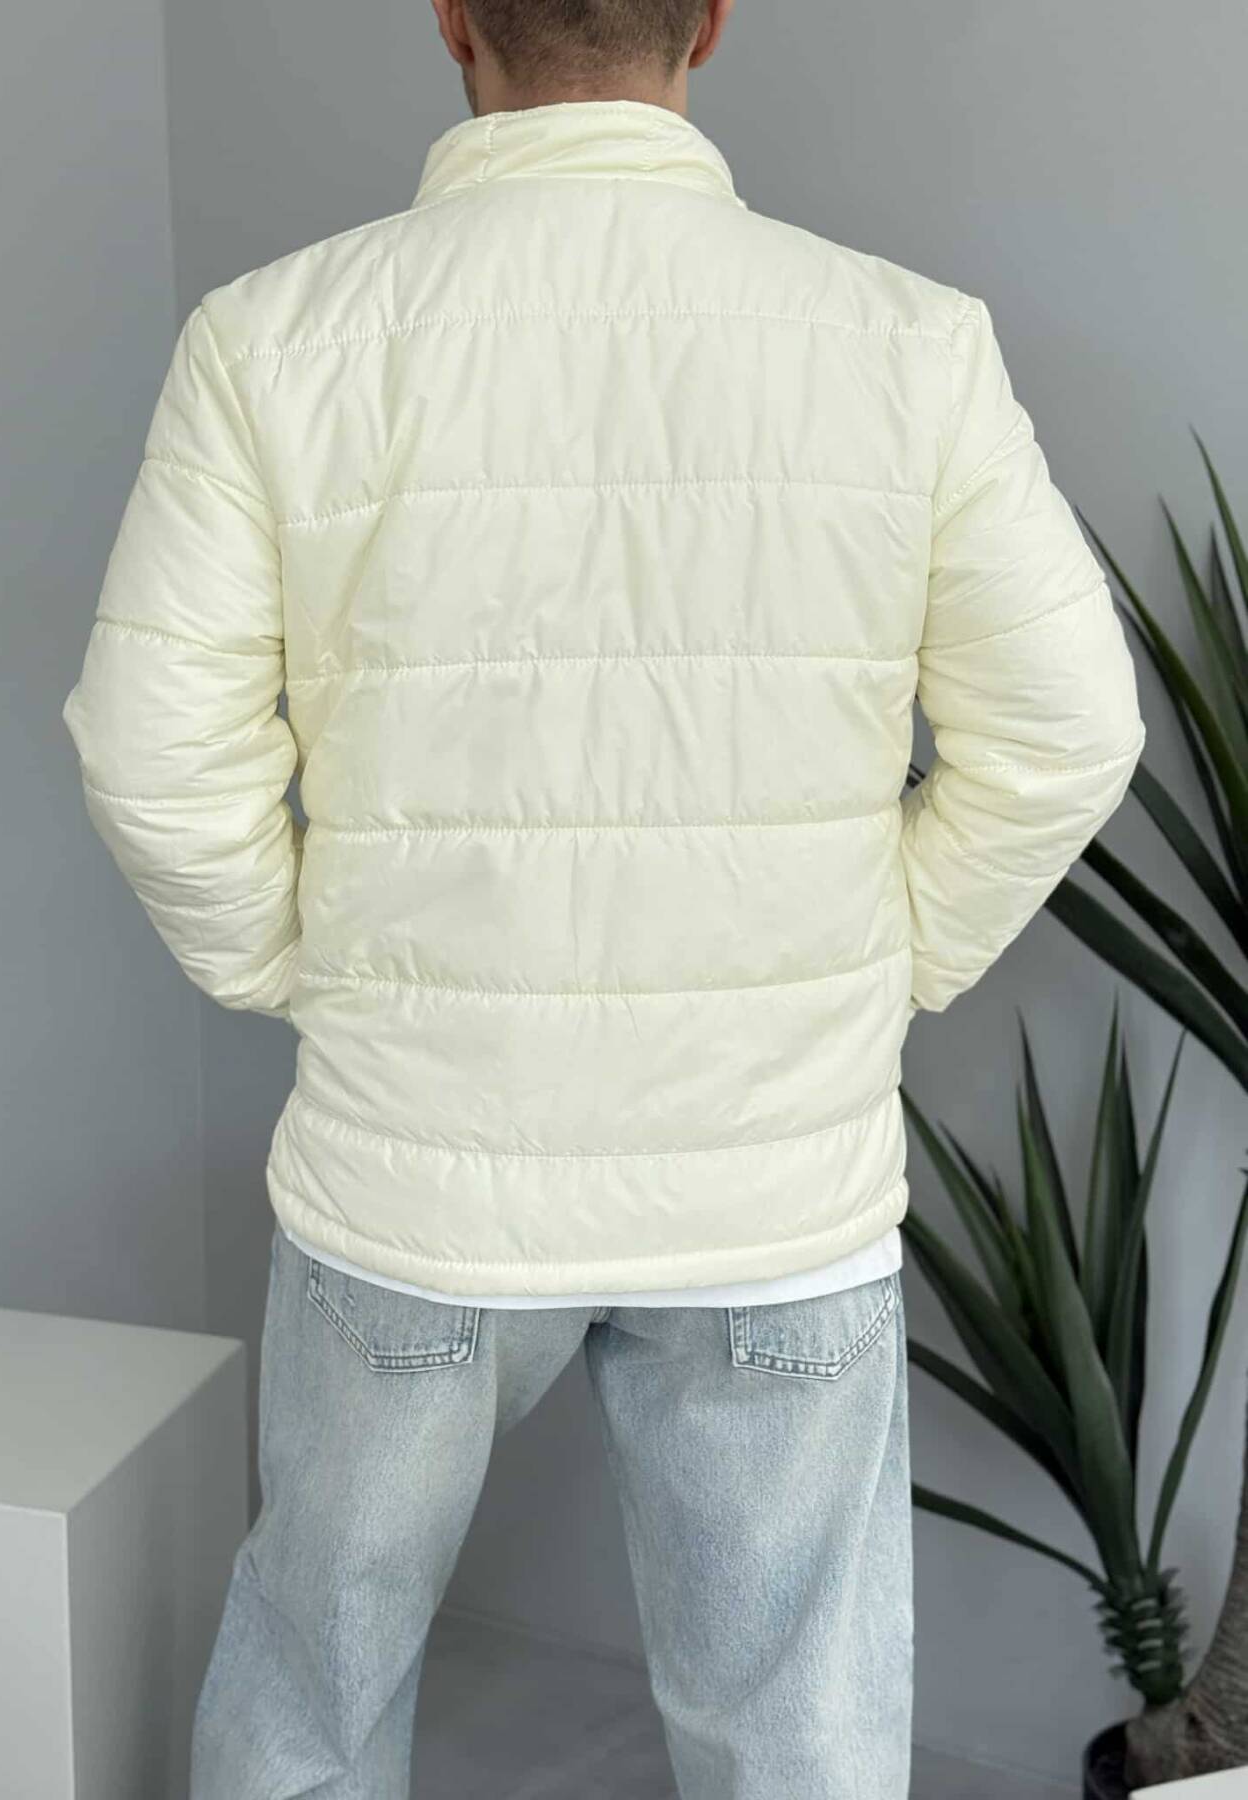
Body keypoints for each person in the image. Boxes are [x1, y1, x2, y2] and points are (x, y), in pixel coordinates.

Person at [61, 2, 1145, 1794]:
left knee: (314, 1692)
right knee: (793, 1738)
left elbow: (148, 750)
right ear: (708, 20)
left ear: (451, 18)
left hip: (414, 1171)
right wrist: (885, 964)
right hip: (772, 1181)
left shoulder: (277, 337)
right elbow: (1070, 727)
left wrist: (305, 968)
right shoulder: (903, 340)